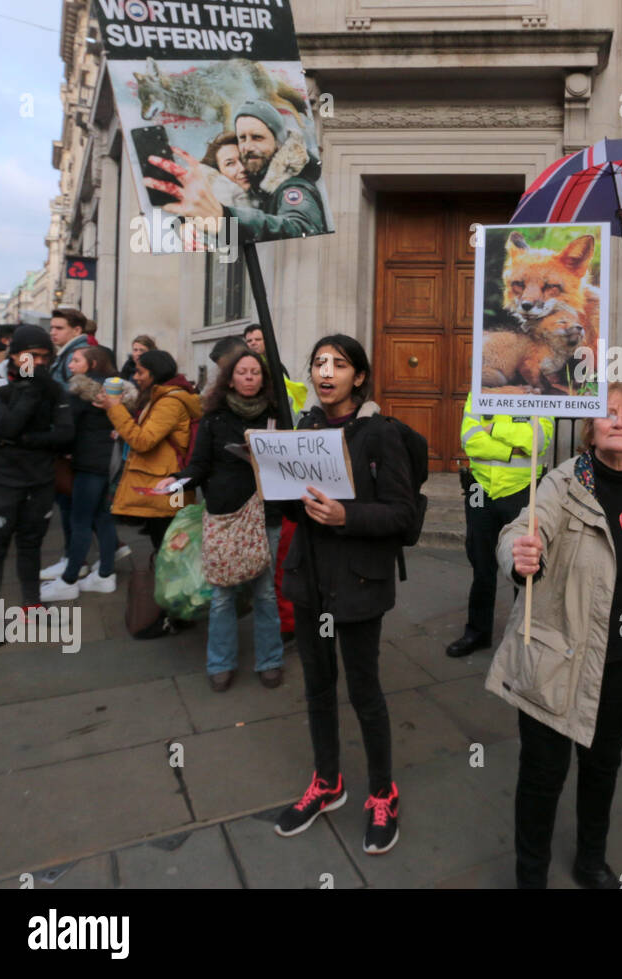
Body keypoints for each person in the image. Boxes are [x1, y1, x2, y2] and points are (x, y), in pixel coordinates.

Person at [485, 382, 622, 889]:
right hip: (555, 660)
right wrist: (518, 554)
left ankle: (591, 862)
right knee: (543, 779)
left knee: (602, 770)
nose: (617, 420)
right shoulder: (562, 482)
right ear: (590, 429)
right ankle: (531, 877)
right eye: (607, 412)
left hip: (621, 663)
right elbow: (521, 530)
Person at [273, 335, 414, 855]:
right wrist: (272, 479)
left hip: (357, 581)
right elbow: (293, 512)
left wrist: (346, 515)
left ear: (359, 375)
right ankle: (327, 782)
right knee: (316, 685)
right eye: (318, 363)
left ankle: (383, 792)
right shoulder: (304, 428)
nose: (325, 371)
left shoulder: (380, 434)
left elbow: (403, 515)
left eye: (338, 363)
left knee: (364, 689)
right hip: (309, 578)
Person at [156, 349, 285, 691]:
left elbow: (290, 466)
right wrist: (177, 479)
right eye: (242, 372)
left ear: (263, 379)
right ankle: (220, 664)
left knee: (265, 593)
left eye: (255, 373)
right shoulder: (214, 419)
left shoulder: (276, 416)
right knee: (223, 594)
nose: (248, 377)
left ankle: (270, 660)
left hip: (265, 514)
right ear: (230, 378)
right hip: (224, 516)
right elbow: (199, 465)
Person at [0, 326, 73, 646]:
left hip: (40, 479)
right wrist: (30, 393)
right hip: (1, 480)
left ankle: (32, 605)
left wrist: (20, 440)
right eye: (31, 356)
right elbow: (4, 425)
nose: (39, 362)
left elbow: (64, 435)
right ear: (14, 355)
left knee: (31, 544)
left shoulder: (54, 389)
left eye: (46, 357)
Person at [448, 392, 552, 657]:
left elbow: (537, 440)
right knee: (481, 565)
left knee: (524, 566)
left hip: (522, 489)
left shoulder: (539, 393)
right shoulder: (480, 392)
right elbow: (470, 440)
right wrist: (512, 448)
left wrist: (492, 428)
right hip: (480, 488)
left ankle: (522, 635)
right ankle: (477, 632)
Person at [144, 99, 327, 243]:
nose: (247, 146)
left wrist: (225, 217)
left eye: (257, 137)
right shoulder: (255, 185)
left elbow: (301, 228)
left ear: (278, 141)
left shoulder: (293, 188)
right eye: (242, 138)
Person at [39, 346, 136, 602]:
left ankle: (69, 580)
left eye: (76, 360)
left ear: (92, 364)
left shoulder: (81, 391)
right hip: (108, 462)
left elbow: (67, 428)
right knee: (102, 517)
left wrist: (59, 449)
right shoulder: (117, 390)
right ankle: (105, 574)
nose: (70, 366)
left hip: (88, 462)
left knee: (80, 521)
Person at [98, 349, 202, 555]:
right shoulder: (161, 396)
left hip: (169, 483)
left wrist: (116, 409)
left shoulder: (169, 401)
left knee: (170, 548)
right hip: (164, 481)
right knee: (167, 545)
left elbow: (143, 441)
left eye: (140, 372)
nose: (136, 377)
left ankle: (172, 586)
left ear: (155, 373)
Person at [49, 307, 95, 386]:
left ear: (77, 331)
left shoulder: (74, 356)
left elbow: (75, 393)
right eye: (52, 328)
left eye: (59, 328)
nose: (52, 333)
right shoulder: (71, 352)